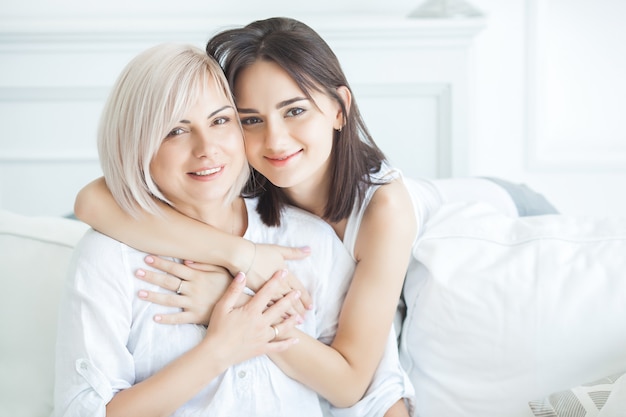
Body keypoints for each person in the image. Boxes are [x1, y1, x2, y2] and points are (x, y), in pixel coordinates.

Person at [74, 17, 556, 416]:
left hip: (487, 213)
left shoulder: (382, 213)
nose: (276, 140)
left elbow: (355, 381)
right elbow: (91, 202)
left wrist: (230, 297)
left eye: (296, 110)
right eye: (249, 119)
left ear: (340, 109)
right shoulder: (245, 168)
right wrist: (242, 254)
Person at [54, 43, 414, 417]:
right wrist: (219, 349)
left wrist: (230, 303)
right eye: (176, 131)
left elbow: (369, 392)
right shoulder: (108, 258)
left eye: (221, 120)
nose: (206, 148)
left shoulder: (312, 240)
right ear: (136, 145)